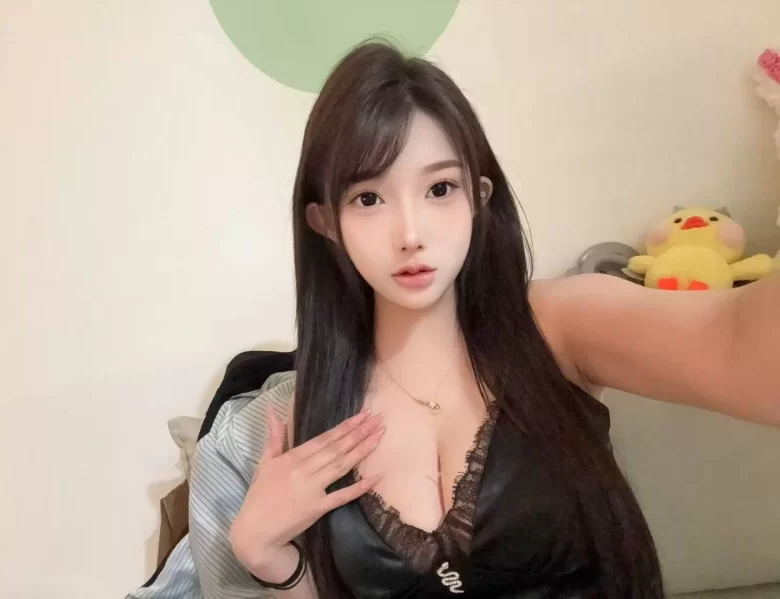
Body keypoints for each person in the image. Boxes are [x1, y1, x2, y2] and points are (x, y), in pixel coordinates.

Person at [208, 41, 778, 598]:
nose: (411, 233)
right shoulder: (313, 410)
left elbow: (737, 346)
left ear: (479, 198)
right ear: (326, 222)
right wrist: (268, 556)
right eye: (368, 198)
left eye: (439, 188)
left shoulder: (556, 325)